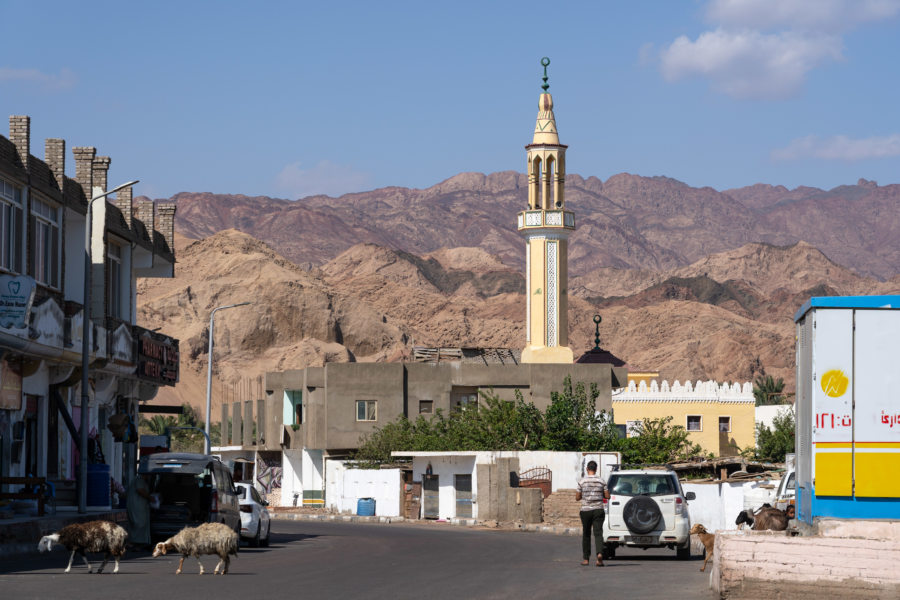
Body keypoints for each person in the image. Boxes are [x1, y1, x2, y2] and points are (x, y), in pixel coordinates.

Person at [576, 460, 610, 567]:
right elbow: (607, 496)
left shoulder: (582, 481)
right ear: (596, 469)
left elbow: (577, 497)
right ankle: (599, 554)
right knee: (598, 533)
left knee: (586, 534)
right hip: (598, 510)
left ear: (587, 469)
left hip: (585, 510)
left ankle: (586, 559)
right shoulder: (601, 481)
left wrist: (584, 495)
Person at [126, 473, 152, 550]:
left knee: (137, 523)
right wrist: (150, 497)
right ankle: (137, 543)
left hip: (136, 505)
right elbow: (140, 490)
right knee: (139, 523)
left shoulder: (136, 479)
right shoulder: (139, 480)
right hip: (137, 506)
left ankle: (136, 542)